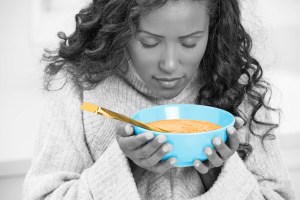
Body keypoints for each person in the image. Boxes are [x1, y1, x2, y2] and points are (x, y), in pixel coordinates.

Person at [23, 0, 295, 199]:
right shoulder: (79, 88)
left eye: (189, 43)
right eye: (150, 43)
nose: (170, 64)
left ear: (212, 30)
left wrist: (219, 175)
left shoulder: (238, 85)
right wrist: (127, 165)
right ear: (120, 30)